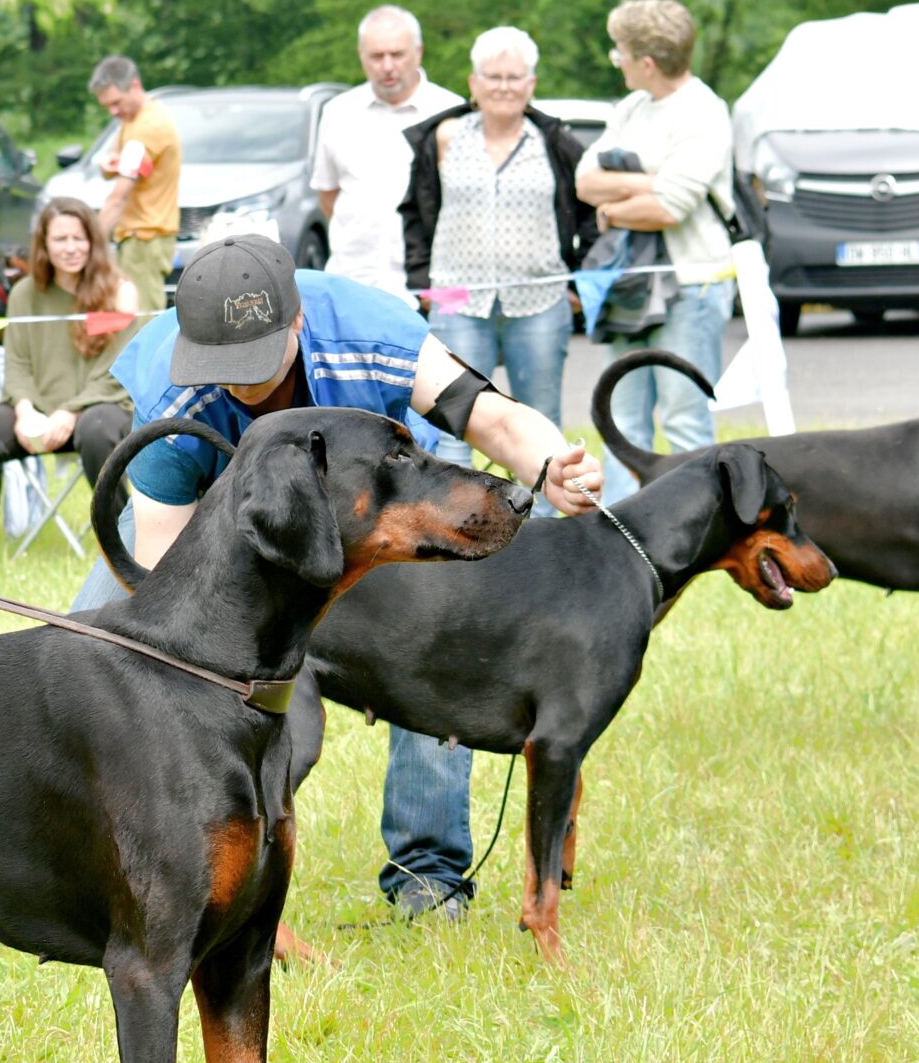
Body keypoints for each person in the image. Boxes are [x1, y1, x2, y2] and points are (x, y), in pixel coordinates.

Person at [77, 223, 604, 920]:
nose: (238, 379)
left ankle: (427, 875)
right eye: (221, 362)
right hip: (218, 515)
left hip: (382, 502)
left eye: (255, 359)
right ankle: (131, 863)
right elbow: (159, 573)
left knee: (433, 641)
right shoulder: (171, 393)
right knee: (97, 652)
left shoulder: (371, 331)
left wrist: (552, 463)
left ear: (298, 321)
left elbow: (495, 420)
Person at [399, 25, 593, 453]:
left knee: (542, 423)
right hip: (457, 301)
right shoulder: (443, 139)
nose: (503, 86)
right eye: (493, 76)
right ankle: (456, 502)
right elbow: (415, 212)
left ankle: (547, 499)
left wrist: (579, 284)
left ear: (531, 84)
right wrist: (423, 282)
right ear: (474, 83)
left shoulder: (555, 144)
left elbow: (588, 215)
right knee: (451, 426)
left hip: (540, 303)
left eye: (513, 77)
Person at [576, 0, 737, 502]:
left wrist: (614, 207)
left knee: (685, 422)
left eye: (619, 52)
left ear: (646, 62)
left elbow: (669, 208)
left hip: (691, 288)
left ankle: (696, 526)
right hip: (630, 286)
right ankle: (625, 531)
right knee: (623, 421)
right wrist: (649, 183)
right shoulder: (631, 107)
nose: (616, 60)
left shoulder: (703, 112)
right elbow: (584, 181)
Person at [0, 197, 141, 555]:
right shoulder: (25, 294)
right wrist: (25, 410)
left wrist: (70, 412)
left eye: (78, 238)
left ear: (92, 241)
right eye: (60, 239)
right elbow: (16, 362)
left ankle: (120, 536)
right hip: (37, 407)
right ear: (44, 244)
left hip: (101, 407)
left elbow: (118, 368)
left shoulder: (120, 292)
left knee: (97, 430)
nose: (70, 248)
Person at [312, 5, 460, 301]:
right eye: (377, 56)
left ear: (418, 52)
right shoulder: (338, 112)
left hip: (431, 290)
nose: (387, 66)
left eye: (397, 54)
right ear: (361, 56)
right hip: (353, 286)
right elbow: (328, 196)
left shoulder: (452, 113)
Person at [88, 56, 180, 314]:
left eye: (116, 102)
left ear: (135, 86)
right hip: (138, 236)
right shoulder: (133, 119)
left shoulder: (148, 127)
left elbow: (118, 197)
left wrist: (91, 242)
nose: (113, 111)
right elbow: (111, 163)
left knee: (142, 320)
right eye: (107, 106)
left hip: (145, 238)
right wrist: (109, 164)